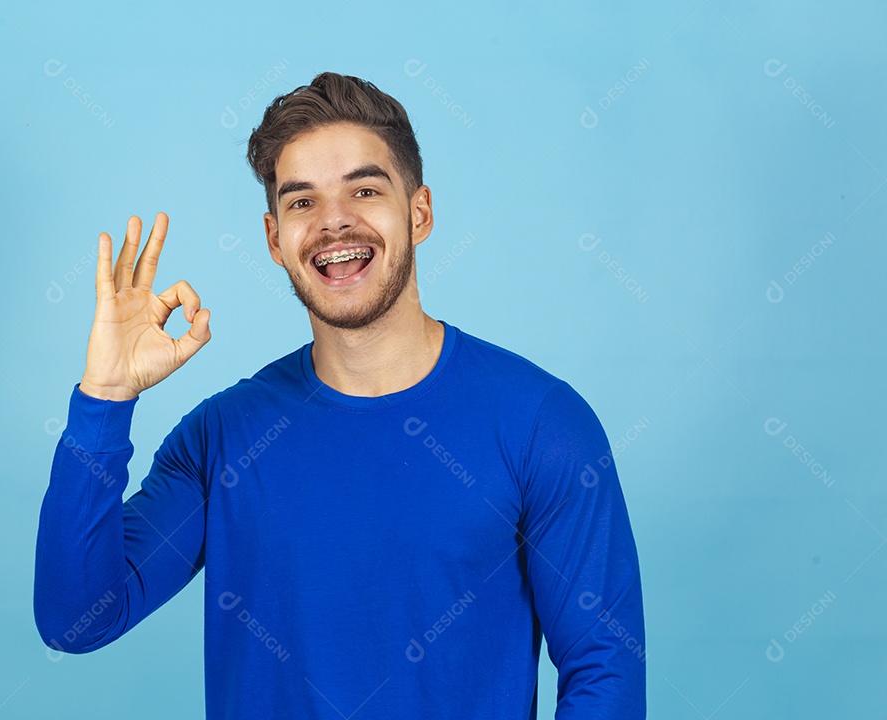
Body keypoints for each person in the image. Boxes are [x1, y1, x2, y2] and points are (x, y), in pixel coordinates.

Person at [34, 71, 646, 719]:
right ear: (275, 239)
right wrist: (104, 396)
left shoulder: (541, 424)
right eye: (302, 202)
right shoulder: (219, 439)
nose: (333, 222)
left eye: (364, 189)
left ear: (420, 212)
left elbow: (604, 667)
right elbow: (77, 621)